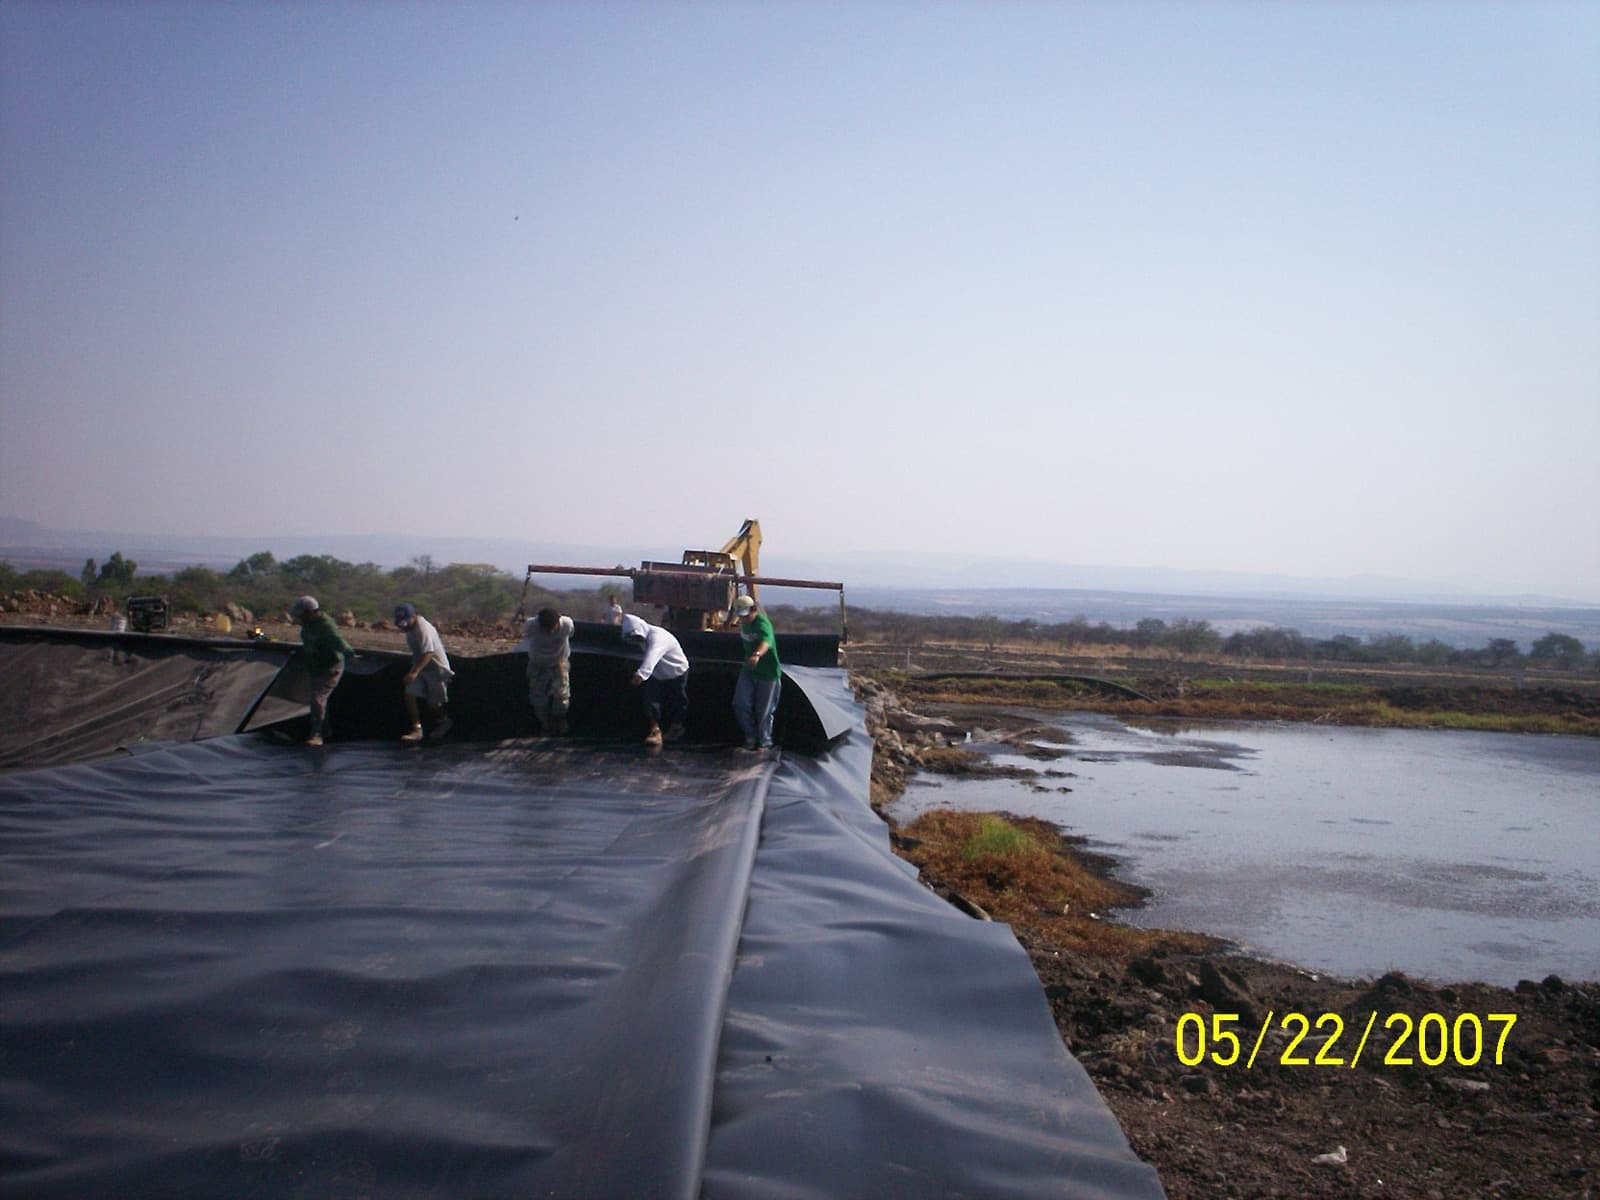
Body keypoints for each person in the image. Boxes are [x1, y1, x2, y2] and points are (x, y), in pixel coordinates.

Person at [289, 595, 352, 747]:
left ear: (311, 612)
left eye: (303, 615)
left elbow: (338, 641)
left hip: (330, 666)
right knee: (319, 700)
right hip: (316, 665)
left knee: (318, 698)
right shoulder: (308, 624)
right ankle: (325, 730)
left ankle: (317, 734)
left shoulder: (325, 625)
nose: (300, 619)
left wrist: (350, 654)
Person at [619, 614, 689, 747]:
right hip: (657, 673)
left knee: (678, 700)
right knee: (651, 699)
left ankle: (677, 727)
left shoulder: (658, 637)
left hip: (676, 671)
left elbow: (652, 656)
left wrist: (640, 675)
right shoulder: (642, 638)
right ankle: (655, 730)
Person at [393, 602, 453, 742]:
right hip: (420, 667)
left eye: (405, 622)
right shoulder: (409, 629)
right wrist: (415, 671)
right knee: (410, 692)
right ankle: (417, 729)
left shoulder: (423, 628)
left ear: (413, 616)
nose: (403, 626)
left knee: (434, 703)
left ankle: (444, 721)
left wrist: (414, 672)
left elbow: (428, 652)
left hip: (436, 669)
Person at [731, 594, 782, 750]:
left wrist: (757, 655)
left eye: (746, 616)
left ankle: (765, 742)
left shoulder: (762, 624)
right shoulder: (743, 623)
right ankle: (750, 736)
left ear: (753, 610)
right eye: (741, 616)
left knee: (763, 711)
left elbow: (766, 642)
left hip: (767, 673)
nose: (743, 619)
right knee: (740, 704)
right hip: (749, 669)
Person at [519, 606, 574, 735]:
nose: (550, 632)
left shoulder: (567, 624)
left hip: (559, 663)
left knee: (562, 696)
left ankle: (559, 719)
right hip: (538, 664)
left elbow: (571, 634)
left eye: (552, 628)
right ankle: (545, 724)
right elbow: (523, 634)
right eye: (546, 629)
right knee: (538, 698)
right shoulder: (531, 625)